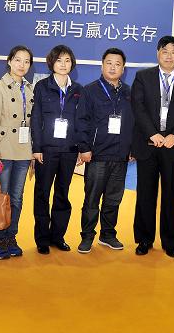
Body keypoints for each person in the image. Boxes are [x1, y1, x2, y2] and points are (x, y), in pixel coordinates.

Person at [132, 36, 174, 258]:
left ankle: (170, 242)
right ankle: (144, 239)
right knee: (145, 195)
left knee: (171, 196)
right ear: (158, 53)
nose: (169, 56)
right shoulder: (143, 77)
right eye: (165, 51)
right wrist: (152, 133)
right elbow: (138, 107)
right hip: (148, 144)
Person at [75, 48, 134, 253]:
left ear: (123, 69)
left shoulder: (129, 93)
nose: (113, 67)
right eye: (109, 63)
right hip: (97, 155)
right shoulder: (90, 90)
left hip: (121, 155)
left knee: (113, 199)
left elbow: (135, 123)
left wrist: (132, 148)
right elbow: (81, 121)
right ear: (102, 66)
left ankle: (108, 234)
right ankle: (87, 236)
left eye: (118, 64)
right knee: (92, 199)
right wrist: (84, 148)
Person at [30, 45, 82, 255]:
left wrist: (80, 147)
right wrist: (37, 148)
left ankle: (58, 236)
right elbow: (36, 118)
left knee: (63, 193)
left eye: (67, 60)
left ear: (72, 64)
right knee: (42, 193)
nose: (63, 64)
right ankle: (42, 239)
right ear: (52, 63)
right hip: (47, 150)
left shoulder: (78, 89)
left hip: (69, 150)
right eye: (59, 60)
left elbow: (82, 121)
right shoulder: (42, 86)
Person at [0, 45, 35, 260]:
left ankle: (11, 236)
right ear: (9, 62)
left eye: (26, 61)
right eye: (18, 60)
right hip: (3, 150)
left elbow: (34, 125)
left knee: (16, 198)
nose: (22, 65)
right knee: (1, 198)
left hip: (24, 152)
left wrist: (33, 153)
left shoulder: (30, 89)